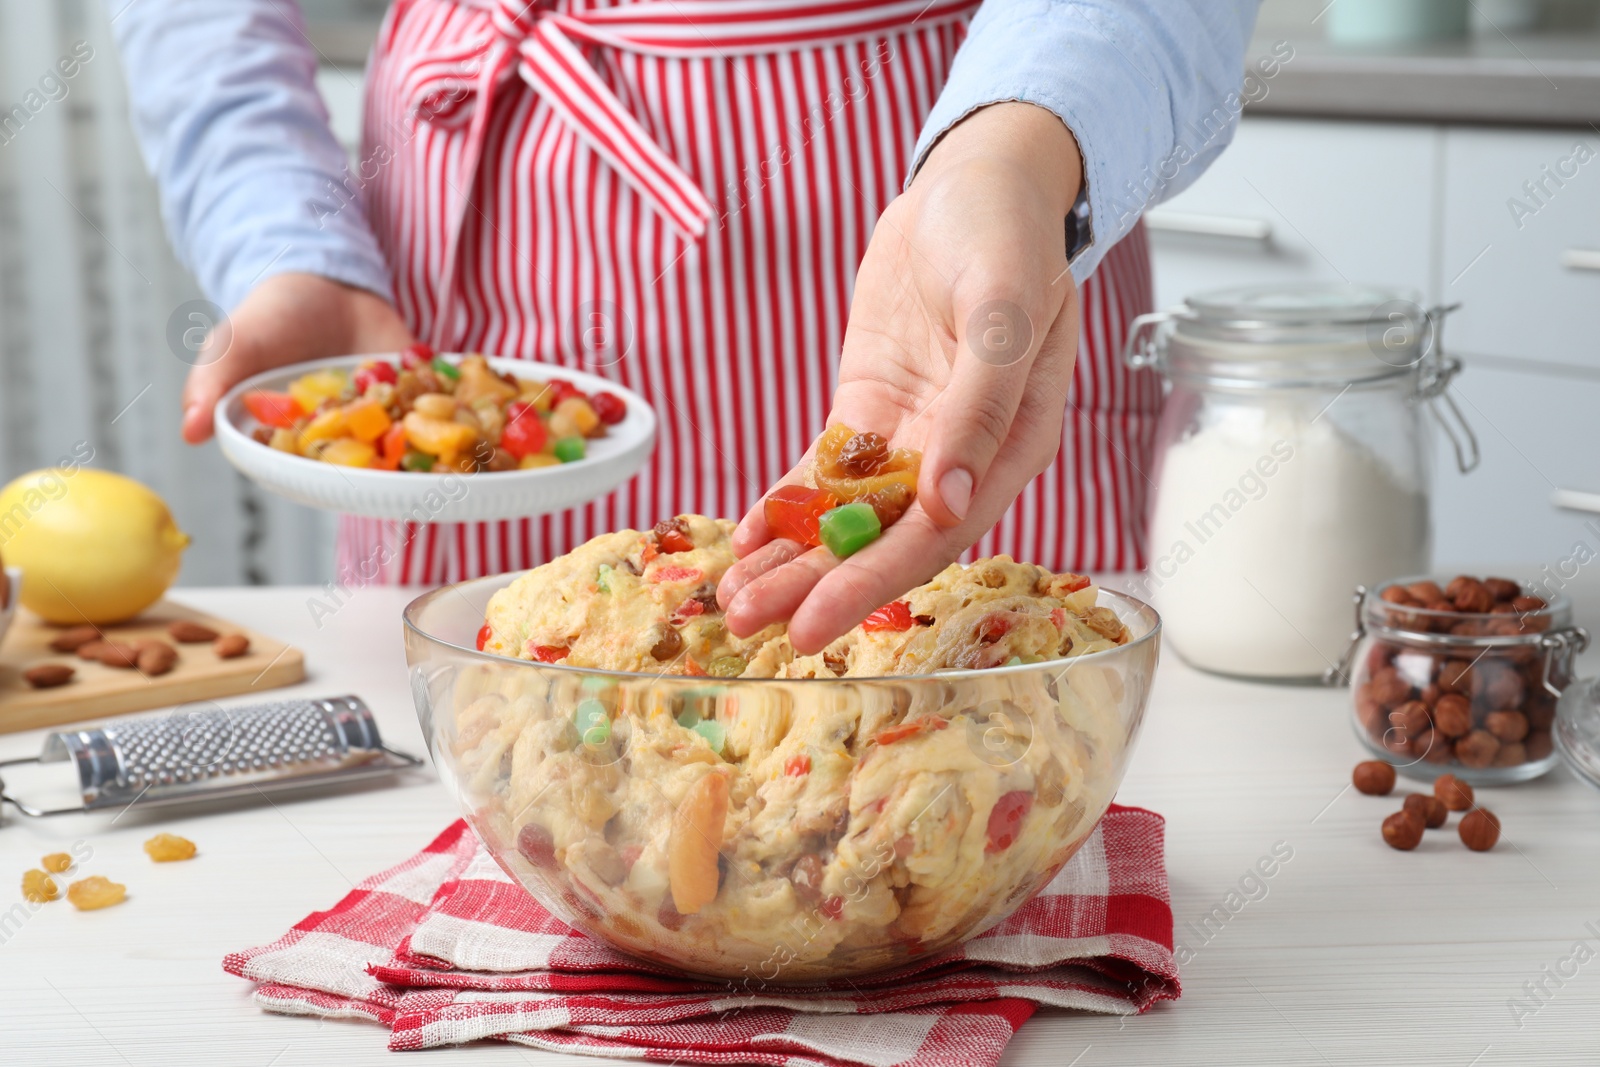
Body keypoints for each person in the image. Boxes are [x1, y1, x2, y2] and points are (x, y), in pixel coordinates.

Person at [112, 0, 1259, 653]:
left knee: (963, 703)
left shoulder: (988, 171)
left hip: (943, 174)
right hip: (474, 189)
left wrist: (1011, 156)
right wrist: (281, 233)